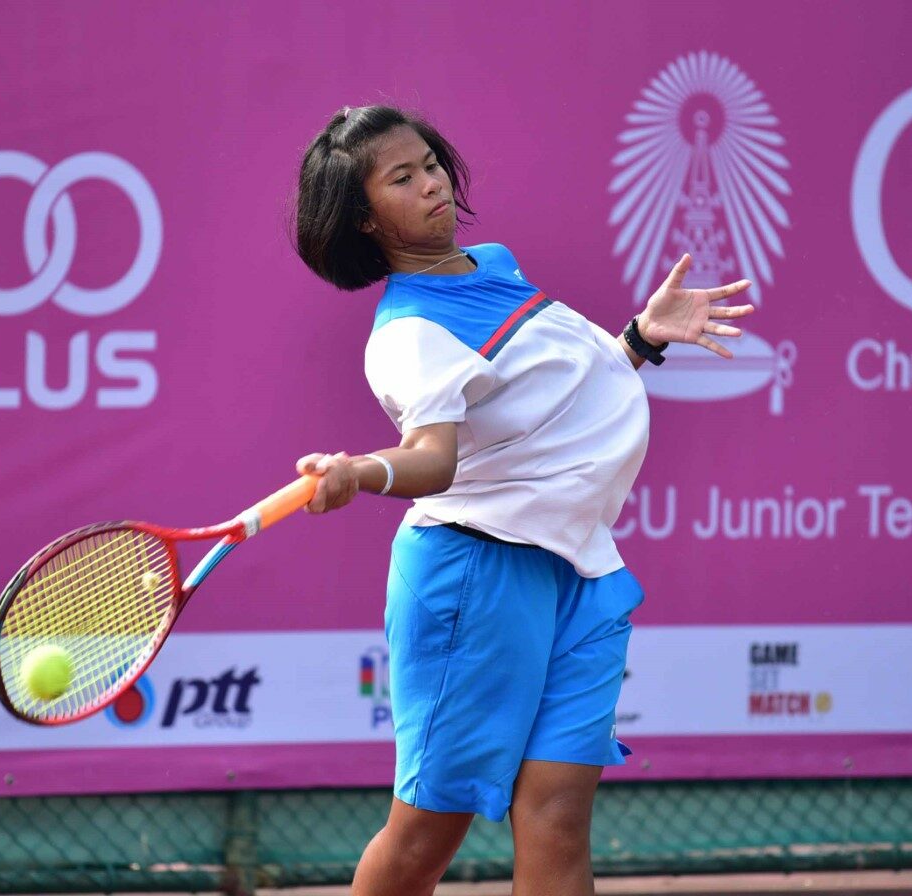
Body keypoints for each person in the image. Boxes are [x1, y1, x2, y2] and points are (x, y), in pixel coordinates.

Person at [292, 105, 754, 896]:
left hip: (577, 566)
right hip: (474, 576)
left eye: (429, 162)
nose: (431, 182)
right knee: (425, 835)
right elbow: (432, 462)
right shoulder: (408, 335)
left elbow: (553, 401)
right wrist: (360, 471)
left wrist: (640, 339)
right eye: (402, 179)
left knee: (558, 814)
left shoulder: (492, 263)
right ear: (365, 220)